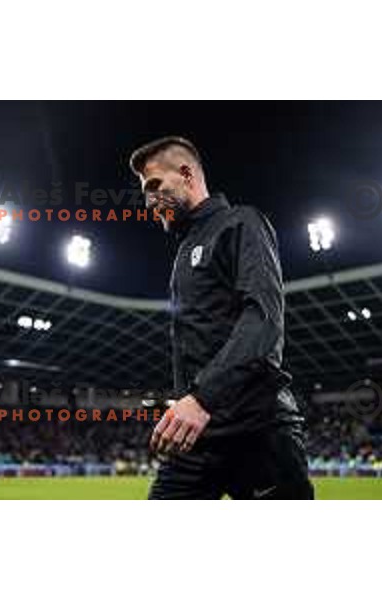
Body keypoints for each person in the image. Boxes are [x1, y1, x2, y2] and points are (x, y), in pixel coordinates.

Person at [129, 136, 314, 499]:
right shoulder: (184, 250)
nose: (149, 200)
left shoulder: (242, 223)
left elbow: (263, 320)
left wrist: (202, 399)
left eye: (155, 185)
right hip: (198, 439)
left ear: (186, 174)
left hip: (259, 431)